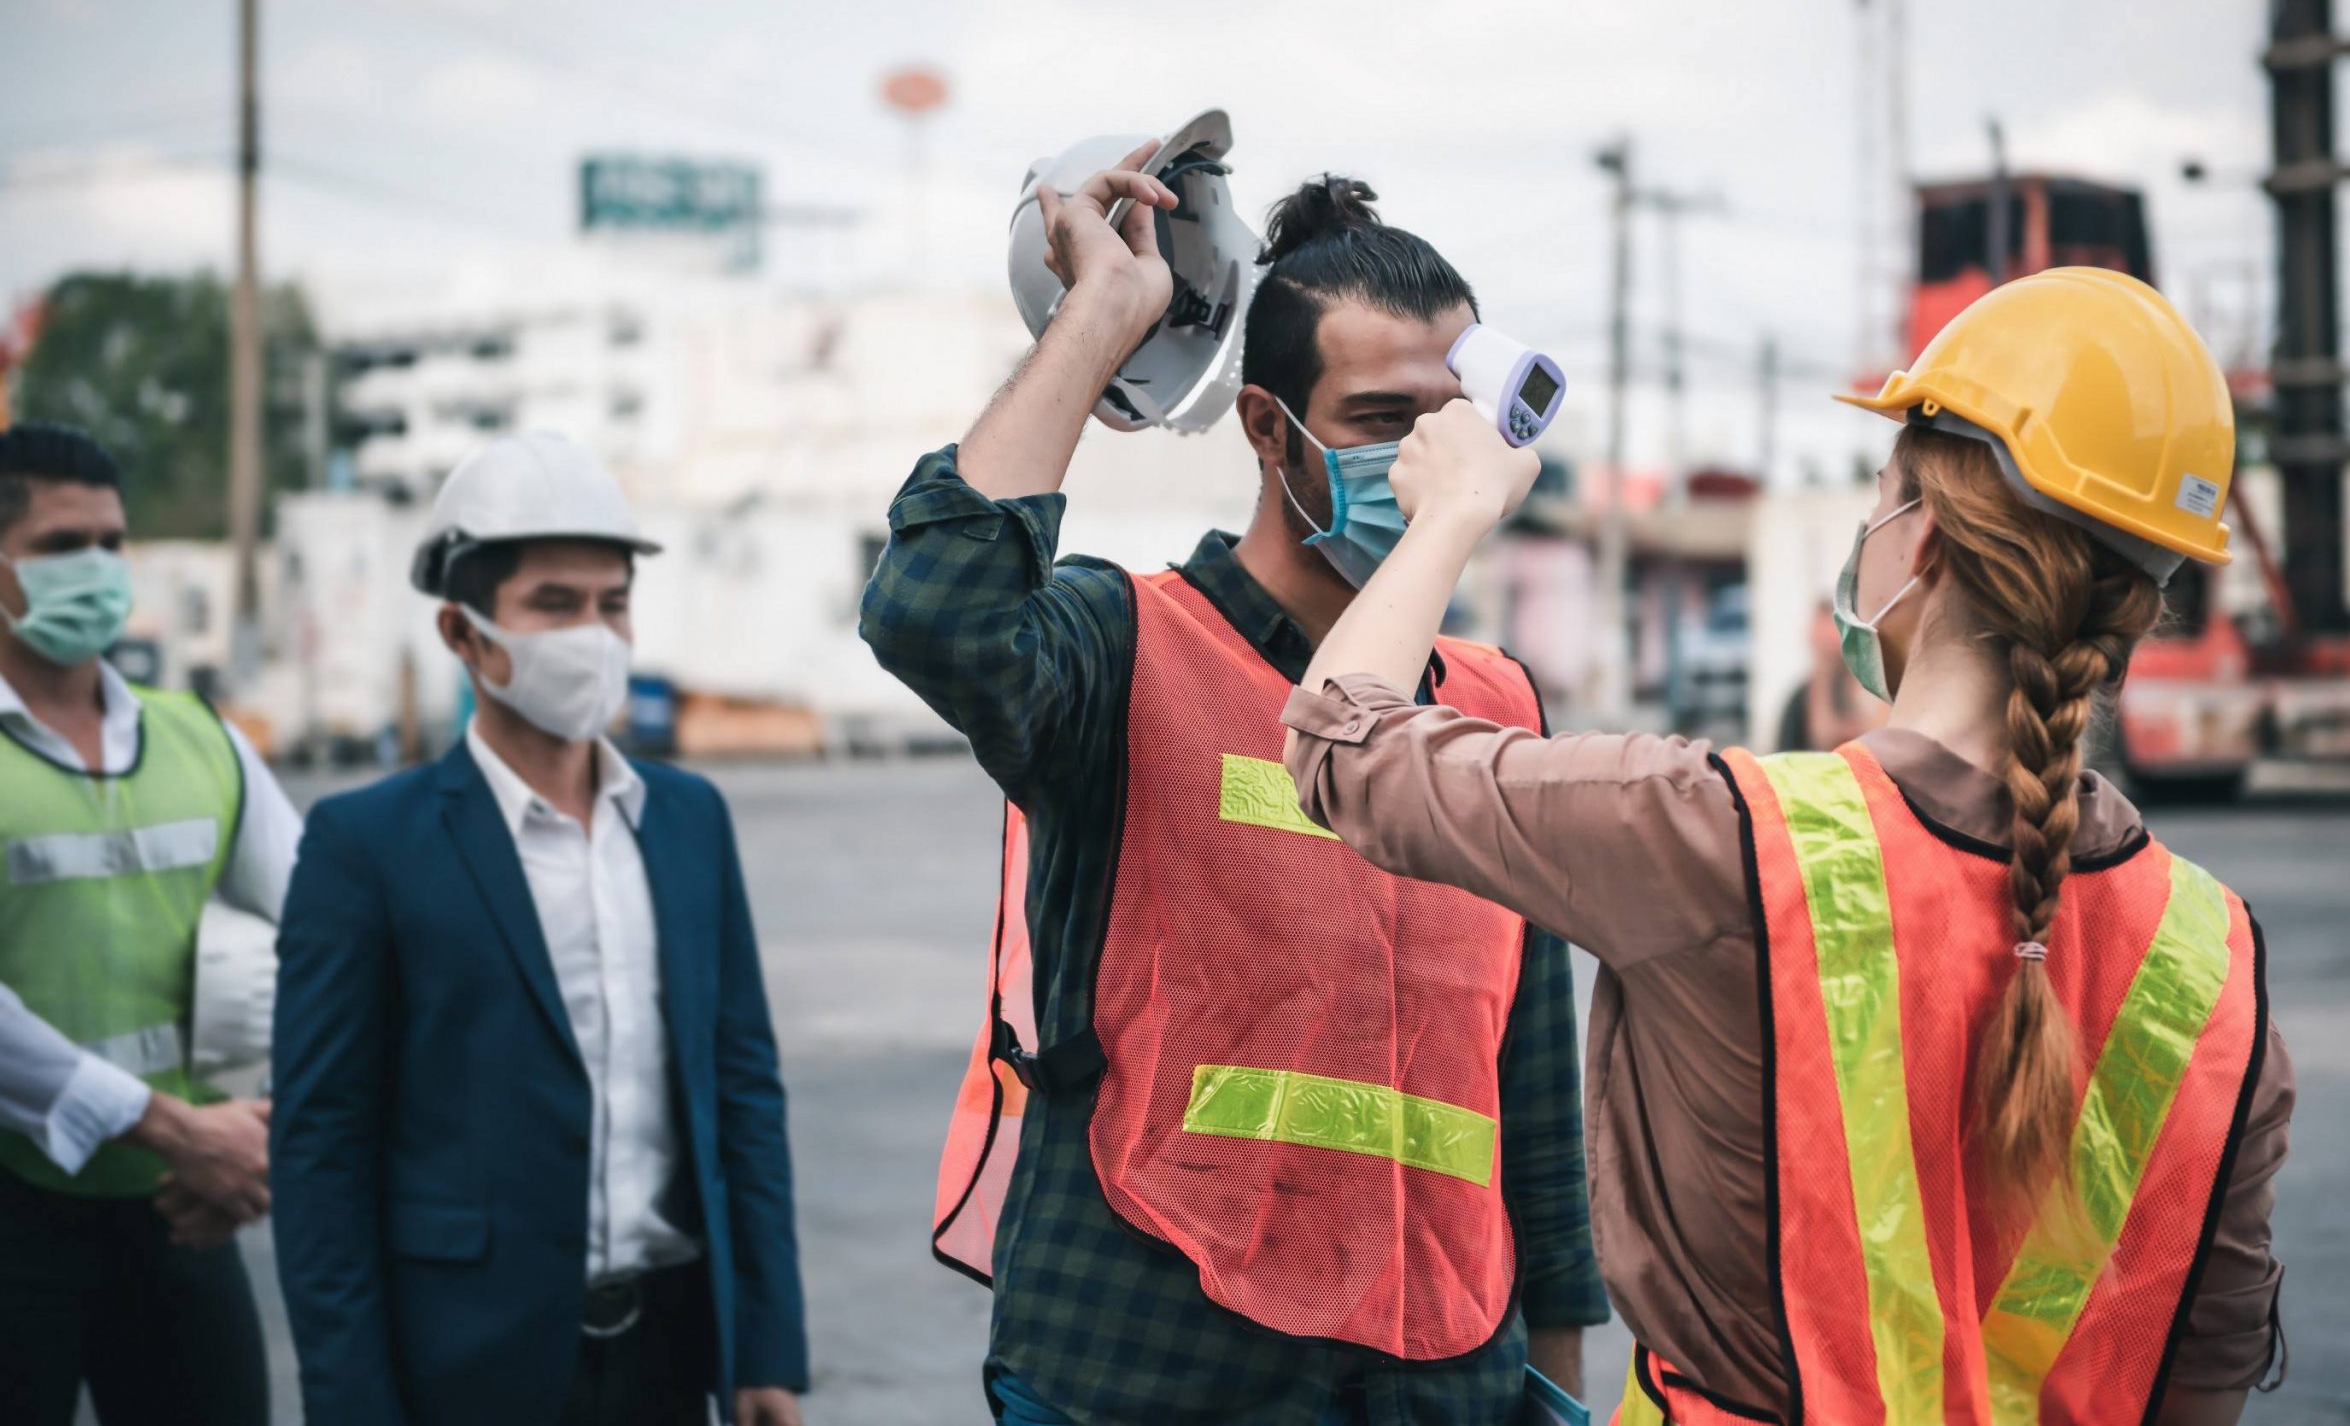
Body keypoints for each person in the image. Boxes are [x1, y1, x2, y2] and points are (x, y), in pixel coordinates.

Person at [1280, 268, 2292, 1425]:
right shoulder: (2210, 957)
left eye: (1878, 495)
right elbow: (2206, 1359)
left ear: (1923, 546)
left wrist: (1453, 512)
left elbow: (1341, 747)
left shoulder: (1720, 836)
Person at [862, 150, 1608, 1423]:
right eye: (1381, 422)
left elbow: (1526, 1089)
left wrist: (1553, 1385)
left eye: (1451, 419)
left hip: (1442, 1372)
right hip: (1152, 1363)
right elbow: (936, 611)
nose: (1426, 462)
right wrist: (1098, 322)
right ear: (1269, 427)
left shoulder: (1494, 704)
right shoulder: (1128, 644)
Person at [270, 431, 808, 1426]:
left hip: (670, 1353)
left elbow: (742, 1091)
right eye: (554, 606)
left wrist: (764, 1347)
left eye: (612, 603)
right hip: (465, 1369)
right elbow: (321, 1154)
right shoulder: (365, 846)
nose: (594, 636)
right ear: (462, 633)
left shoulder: (688, 821)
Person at [0, 421, 301, 1426]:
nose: (97, 569)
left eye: (111, 543)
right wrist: (176, 1129)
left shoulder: (199, 735)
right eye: (59, 547)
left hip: (181, 1213)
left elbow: (332, 941)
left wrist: (260, 1140)